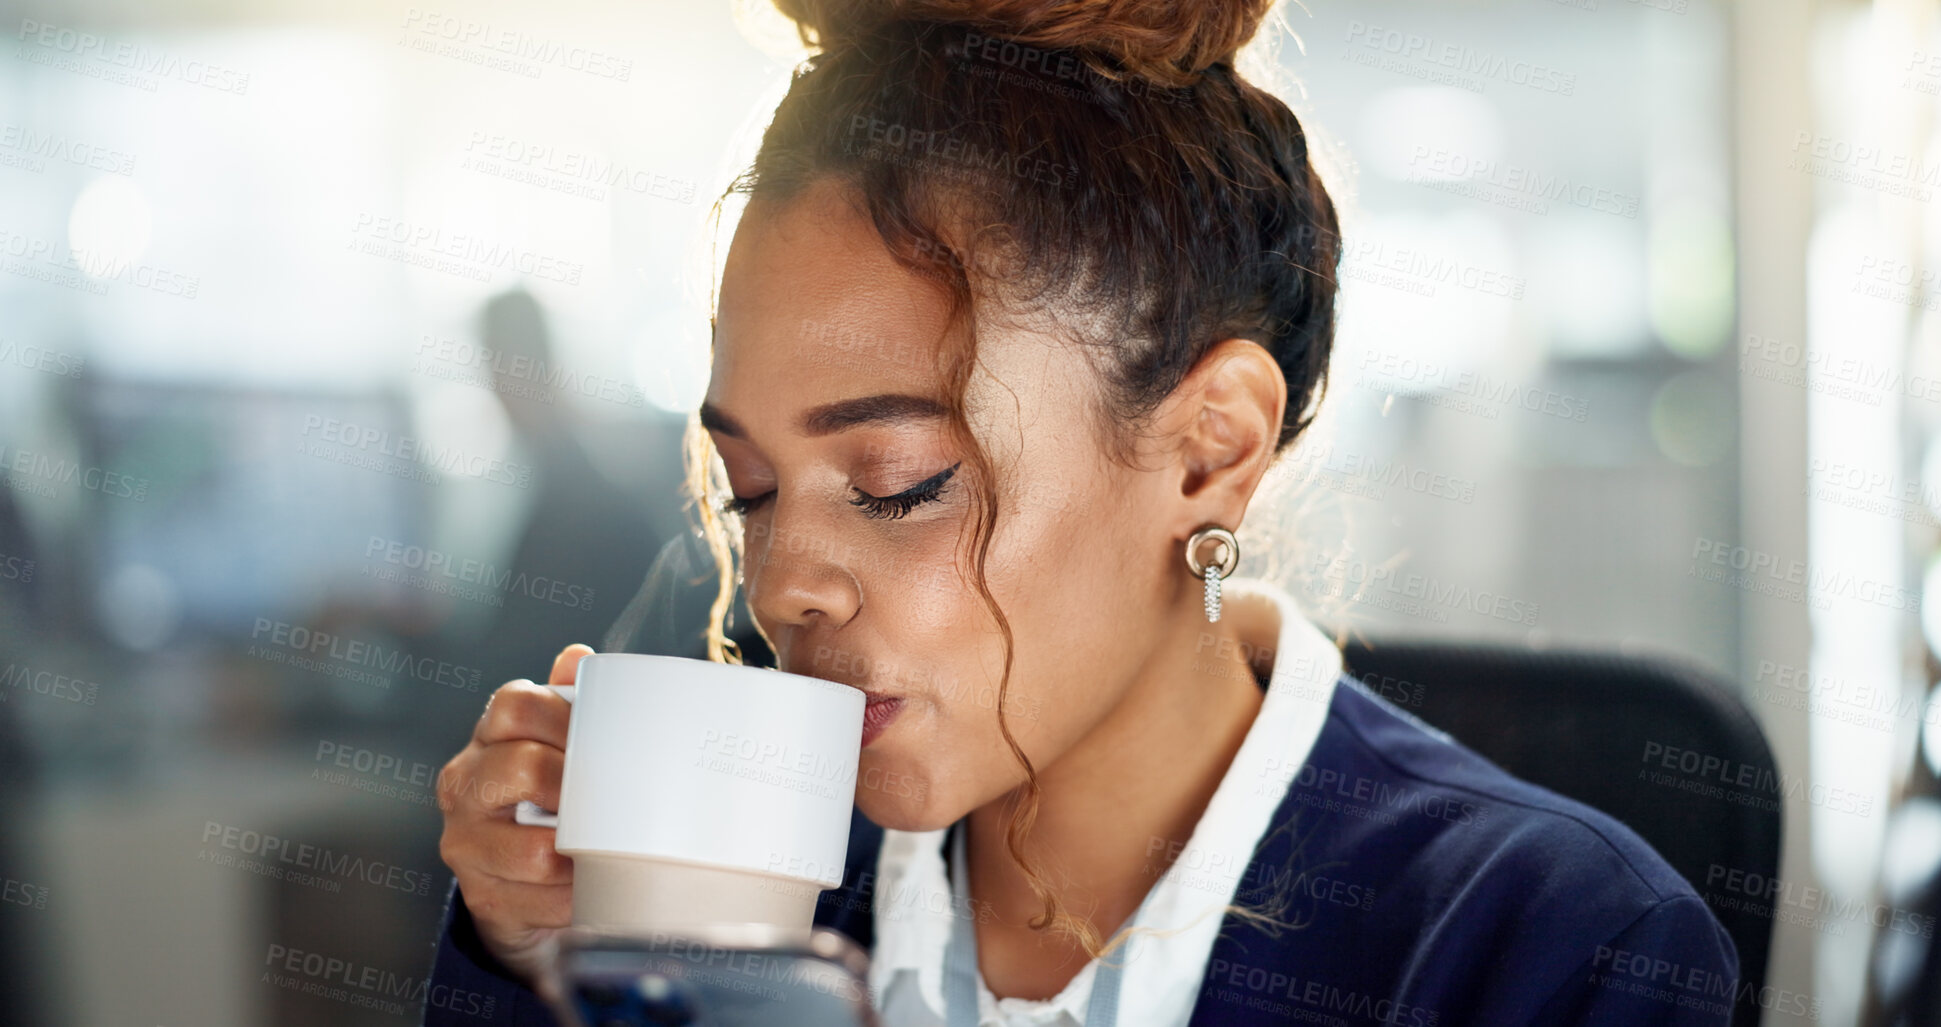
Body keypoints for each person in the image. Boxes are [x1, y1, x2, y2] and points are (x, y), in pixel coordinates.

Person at [421, 1, 1740, 1024]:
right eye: (748, 490)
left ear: (1209, 449)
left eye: (898, 486)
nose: (783, 589)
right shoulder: (735, 872)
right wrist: (537, 962)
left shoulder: (1548, 951)